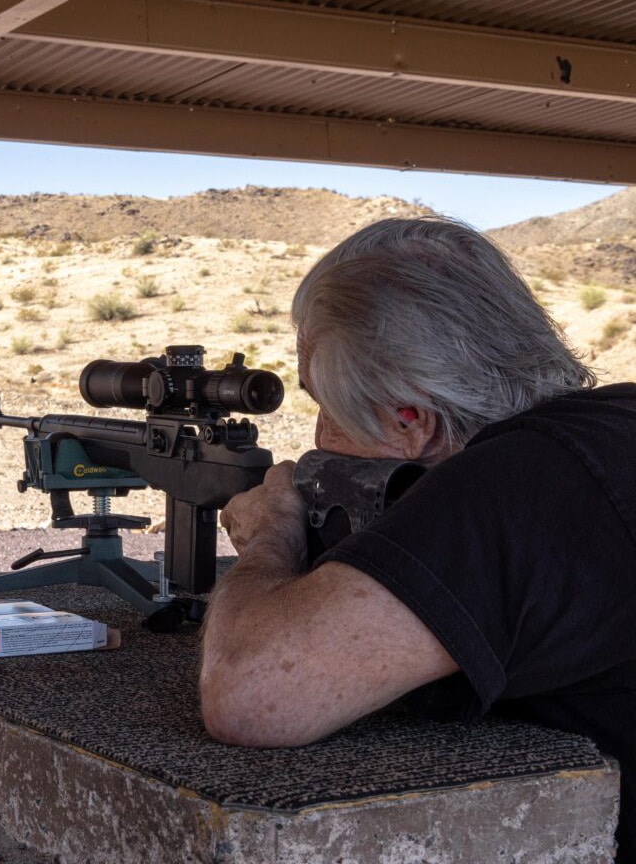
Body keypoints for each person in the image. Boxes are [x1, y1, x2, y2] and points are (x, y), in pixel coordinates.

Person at [200, 216, 636, 857]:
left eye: (328, 407)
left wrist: (272, 536)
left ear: (411, 422)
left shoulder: (511, 485)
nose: (321, 437)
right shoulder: (610, 426)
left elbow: (253, 697)